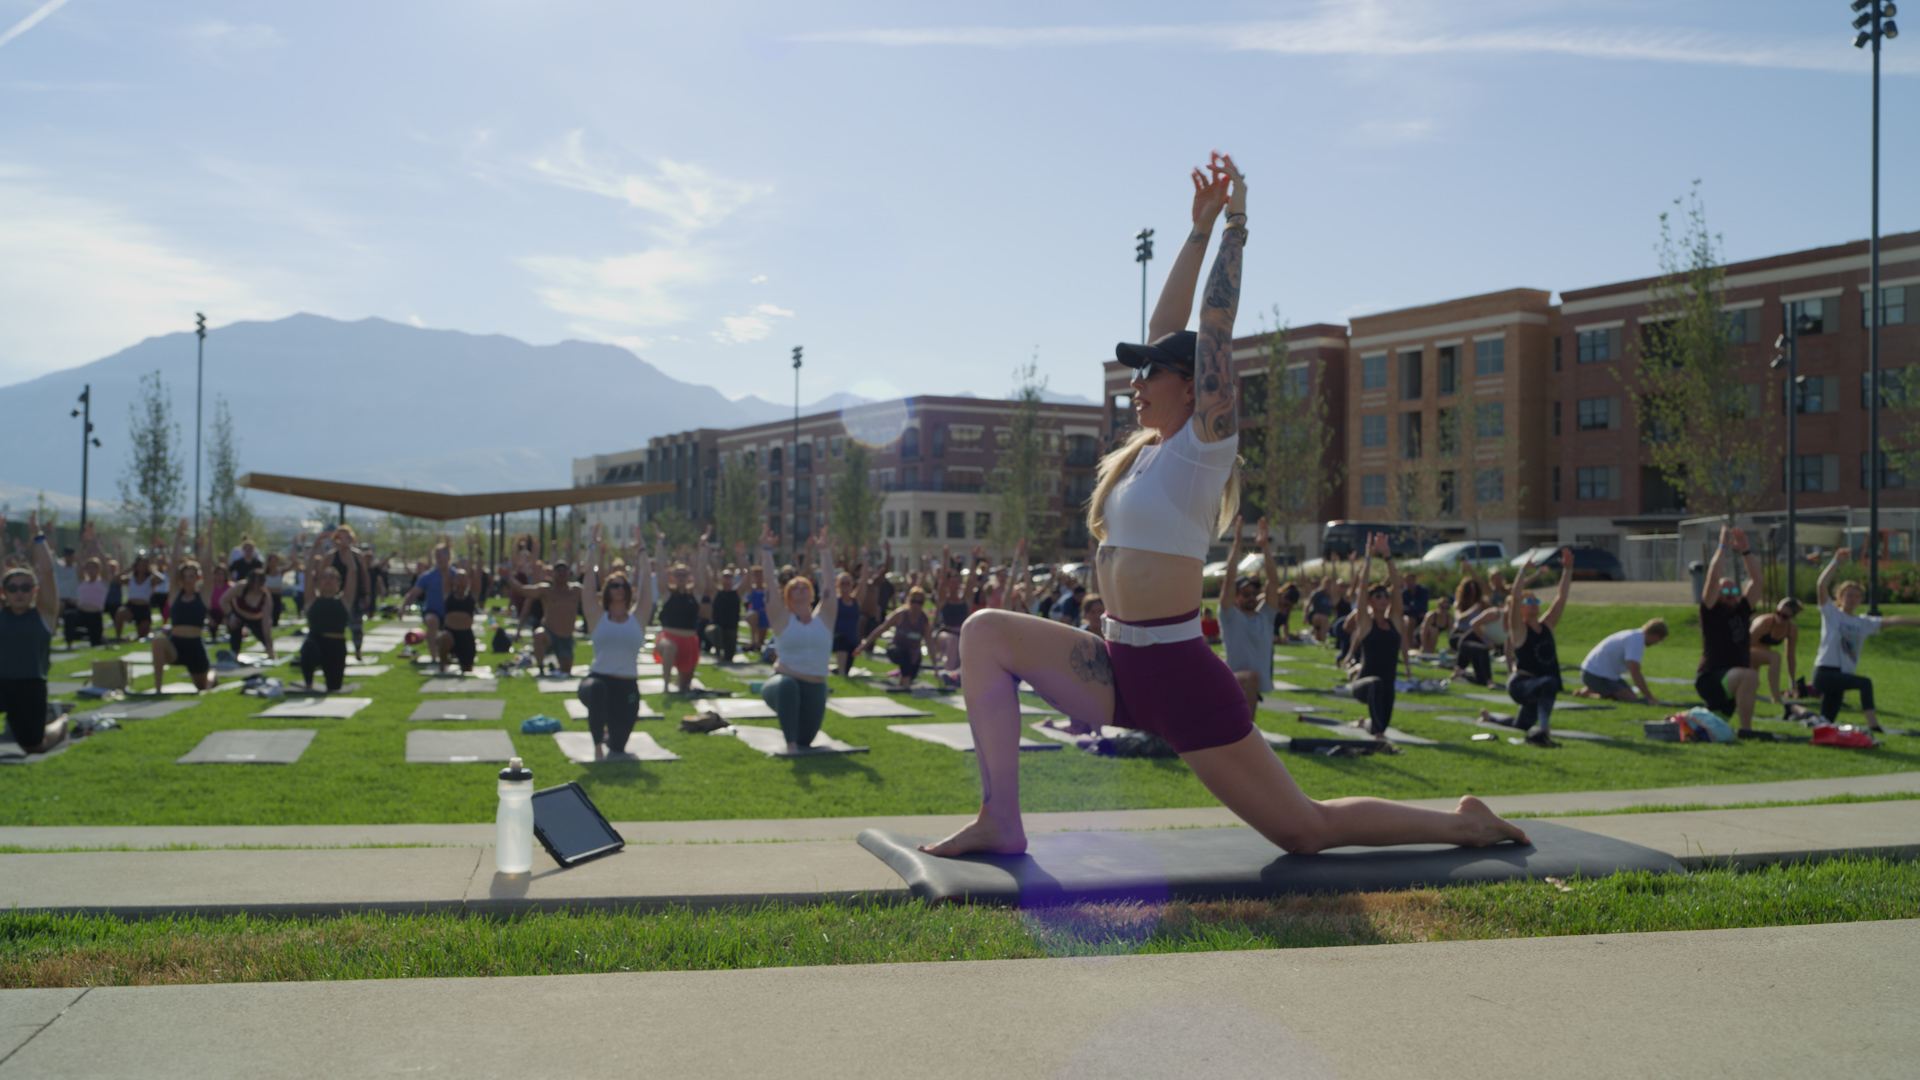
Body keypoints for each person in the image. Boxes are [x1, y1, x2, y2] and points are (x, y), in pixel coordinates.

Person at [923, 154, 1524, 858]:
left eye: (1153, 374)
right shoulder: (1144, 451)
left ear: (1194, 386)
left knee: (1304, 830)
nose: (1137, 385)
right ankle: (1001, 818)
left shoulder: (1201, 451)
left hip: (1179, 678)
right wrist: (1196, 230)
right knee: (985, 632)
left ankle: (1466, 824)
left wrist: (1237, 224)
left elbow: (1211, 325)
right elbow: (1168, 325)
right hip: (1117, 668)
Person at [1809, 550, 1920, 731]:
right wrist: (1835, 562)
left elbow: (1892, 621)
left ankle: (1795, 711)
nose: (1852, 599)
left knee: (1825, 722)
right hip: (1825, 673)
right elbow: (1821, 585)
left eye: (1856, 596)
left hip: (1841, 675)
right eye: (1849, 595)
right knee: (1864, 683)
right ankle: (1874, 726)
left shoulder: (1862, 623)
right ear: (1840, 597)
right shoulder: (1832, 615)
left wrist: (1915, 621)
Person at [577, 524, 656, 760]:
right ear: (607, 590)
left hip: (626, 686)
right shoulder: (596, 616)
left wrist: (642, 549)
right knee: (599, 692)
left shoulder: (638, 618)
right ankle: (597, 745)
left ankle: (611, 733)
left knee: (619, 746)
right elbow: (588, 580)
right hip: (598, 681)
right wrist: (592, 547)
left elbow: (647, 586)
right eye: (614, 585)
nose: (619, 588)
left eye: (622, 585)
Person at [758, 525, 835, 753]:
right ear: (788, 596)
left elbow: (831, 586)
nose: (801, 588)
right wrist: (766, 551)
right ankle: (790, 745)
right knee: (789, 686)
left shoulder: (825, 618)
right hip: (782, 684)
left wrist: (825, 552)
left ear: (812, 594)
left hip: (815, 686)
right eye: (795, 587)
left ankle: (797, 741)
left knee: (807, 740)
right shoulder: (782, 619)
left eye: (805, 586)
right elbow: (770, 586)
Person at [1, 512, 67, 754]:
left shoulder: (44, 614)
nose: (20, 592)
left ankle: (61, 722)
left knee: (34, 746)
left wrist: (38, 537)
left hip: (30, 685)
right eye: (13, 588)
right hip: (1, 681)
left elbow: (49, 573)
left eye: (26, 587)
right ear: (4, 591)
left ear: (34, 591)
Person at [1494, 549, 1574, 748]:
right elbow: (1514, 596)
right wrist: (1522, 572)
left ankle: (1489, 718)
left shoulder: (1546, 625)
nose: (1534, 604)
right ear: (1520, 608)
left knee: (1521, 725)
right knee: (1549, 682)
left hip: (1537, 687)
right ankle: (1545, 730)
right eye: (1528, 601)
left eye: (1536, 601)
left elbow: (1561, 599)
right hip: (1521, 685)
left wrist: (1568, 571)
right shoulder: (1519, 629)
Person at [1695, 525, 1767, 737]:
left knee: (1710, 726)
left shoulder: (1742, 609)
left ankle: (1683, 720)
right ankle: (1747, 731)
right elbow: (1712, 578)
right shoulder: (1711, 610)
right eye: (1724, 590)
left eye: (1733, 590)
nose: (1729, 594)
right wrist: (1723, 547)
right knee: (1750, 676)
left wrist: (1745, 551)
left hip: (1731, 682)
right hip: (1711, 679)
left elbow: (1758, 581)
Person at [1341, 533, 1408, 740]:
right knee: (1377, 686)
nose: (1383, 598)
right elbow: (1361, 593)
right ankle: (1378, 736)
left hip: (1387, 686)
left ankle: (1365, 725)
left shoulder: (1394, 621)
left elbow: (1397, 587)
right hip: (1364, 686)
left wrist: (1388, 556)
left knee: (1380, 723)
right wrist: (1368, 558)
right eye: (1377, 595)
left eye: (1384, 596)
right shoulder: (1366, 623)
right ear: (1370, 601)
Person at [1217, 515, 1282, 707]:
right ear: (1236, 597)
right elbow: (1229, 581)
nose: (1251, 596)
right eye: (1245, 593)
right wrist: (1237, 543)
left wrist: (1265, 547)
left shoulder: (1266, 616)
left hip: (1252, 686)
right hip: (1232, 680)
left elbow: (1273, 581)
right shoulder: (1229, 616)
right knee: (1252, 679)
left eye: (1254, 592)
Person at [149, 519, 219, 694]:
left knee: (203, 687)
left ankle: (212, 674)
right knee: (158, 641)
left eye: (192, 576)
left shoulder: (202, 595)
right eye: (185, 576)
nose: (188, 579)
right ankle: (158, 689)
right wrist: (177, 538)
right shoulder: (175, 594)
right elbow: (173, 566)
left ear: (197, 578)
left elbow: (208, 566)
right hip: (176, 645)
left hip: (195, 647)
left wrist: (210, 538)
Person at [652, 526, 709, 693]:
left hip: (689, 641)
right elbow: (660, 568)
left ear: (688, 577)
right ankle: (665, 686)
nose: (681, 577)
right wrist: (660, 542)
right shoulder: (667, 593)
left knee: (685, 685)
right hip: (669, 638)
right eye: (678, 575)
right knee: (669, 648)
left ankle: (679, 682)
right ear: (673, 577)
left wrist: (703, 546)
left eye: (684, 574)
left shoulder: (695, 594)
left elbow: (701, 569)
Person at [298, 541, 356, 693]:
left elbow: (352, 571)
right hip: (316, 643)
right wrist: (315, 546)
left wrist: (346, 548)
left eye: (332, 578)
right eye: (324, 577)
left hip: (336, 646)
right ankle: (308, 685)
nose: (328, 580)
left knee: (334, 688)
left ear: (338, 583)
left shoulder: (345, 600)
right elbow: (309, 570)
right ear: (319, 582)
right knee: (308, 647)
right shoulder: (312, 599)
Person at [506, 560, 583, 674]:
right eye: (559, 571)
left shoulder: (576, 590)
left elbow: (595, 598)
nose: (562, 573)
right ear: (553, 574)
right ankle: (541, 668)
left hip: (566, 636)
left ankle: (554, 667)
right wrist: (507, 577)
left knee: (566, 671)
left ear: (569, 573)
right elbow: (523, 590)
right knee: (539, 634)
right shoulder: (546, 590)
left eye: (564, 570)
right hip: (549, 633)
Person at [1574, 619, 1667, 704]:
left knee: (1631, 696)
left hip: (1600, 673)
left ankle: (1585, 693)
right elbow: (1635, 672)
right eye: (1659, 640)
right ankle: (1589, 693)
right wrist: (1649, 697)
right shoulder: (1636, 641)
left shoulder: (1636, 636)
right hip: (1595, 675)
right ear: (1656, 635)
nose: (1657, 643)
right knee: (1629, 699)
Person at [857, 585, 932, 691]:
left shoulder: (924, 620)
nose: (916, 605)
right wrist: (864, 644)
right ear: (908, 600)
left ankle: (903, 680)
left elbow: (930, 643)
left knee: (911, 670)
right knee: (905, 654)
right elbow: (882, 629)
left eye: (919, 602)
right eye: (913, 601)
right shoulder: (901, 614)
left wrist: (936, 668)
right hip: (896, 649)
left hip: (913, 655)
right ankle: (904, 684)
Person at [401, 542, 455, 662]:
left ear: (449, 557)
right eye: (437, 555)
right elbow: (413, 593)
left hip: (450, 612)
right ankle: (434, 656)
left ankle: (452, 653)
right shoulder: (428, 576)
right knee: (432, 621)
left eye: (443, 555)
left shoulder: (455, 575)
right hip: (432, 611)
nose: (440, 558)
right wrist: (402, 607)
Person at [1749, 598, 1804, 705]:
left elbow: (1790, 657)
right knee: (1775, 657)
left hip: (1759, 656)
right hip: (1747, 652)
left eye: (1784, 616)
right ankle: (1776, 698)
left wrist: (1792, 681)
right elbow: (1744, 645)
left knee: (1752, 687)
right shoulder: (1764, 623)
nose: (1779, 617)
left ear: (1793, 617)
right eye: (1778, 613)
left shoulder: (1791, 630)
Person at [224, 568, 277, 661]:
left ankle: (271, 652)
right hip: (239, 615)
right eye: (254, 582)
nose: (256, 585)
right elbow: (223, 600)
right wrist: (230, 616)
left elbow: (266, 621)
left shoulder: (265, 596)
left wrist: (268, 640)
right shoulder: (241, 587)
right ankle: (234, 652)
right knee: (235, 627)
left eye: (259, 582)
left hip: (255, 619)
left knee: (264, 637)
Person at [117, 553, 163, 641]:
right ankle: (118, 637)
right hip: (131, 607)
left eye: (144, 565)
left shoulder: (150, 580)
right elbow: (115, 579)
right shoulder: (130, 579)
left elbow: (161, 579)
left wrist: (150, 570)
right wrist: (129, 569)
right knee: (120, 612)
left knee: (142, 637)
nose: (142, 567)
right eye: (140, 564)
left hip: (144, 608)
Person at [830, 565, 864, 678]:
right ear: (838, 585)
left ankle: (839, 670)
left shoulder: (855, 600)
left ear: (852, 584)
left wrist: (866, 558)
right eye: (842, 583)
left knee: (846, 669)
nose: (845, 585)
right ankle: (841, 673)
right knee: (842, 640)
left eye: (847, 583)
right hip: (838, 639)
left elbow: (863, 583)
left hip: (852, 640)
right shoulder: (834, 601)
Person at [1401, 571, 1430, 645]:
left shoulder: (1423, 591)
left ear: (1415, 580)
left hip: (1421, 616)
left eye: (1411, 580)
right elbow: (1402, 609)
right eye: (1407, 580)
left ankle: (1420, 643)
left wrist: (1410, 609)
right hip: (1409, 617)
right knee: (1411, 620)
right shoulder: (1403, 593)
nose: (1409, 582)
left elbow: (1422, 609)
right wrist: (1413, 609)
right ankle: (1409, 643)